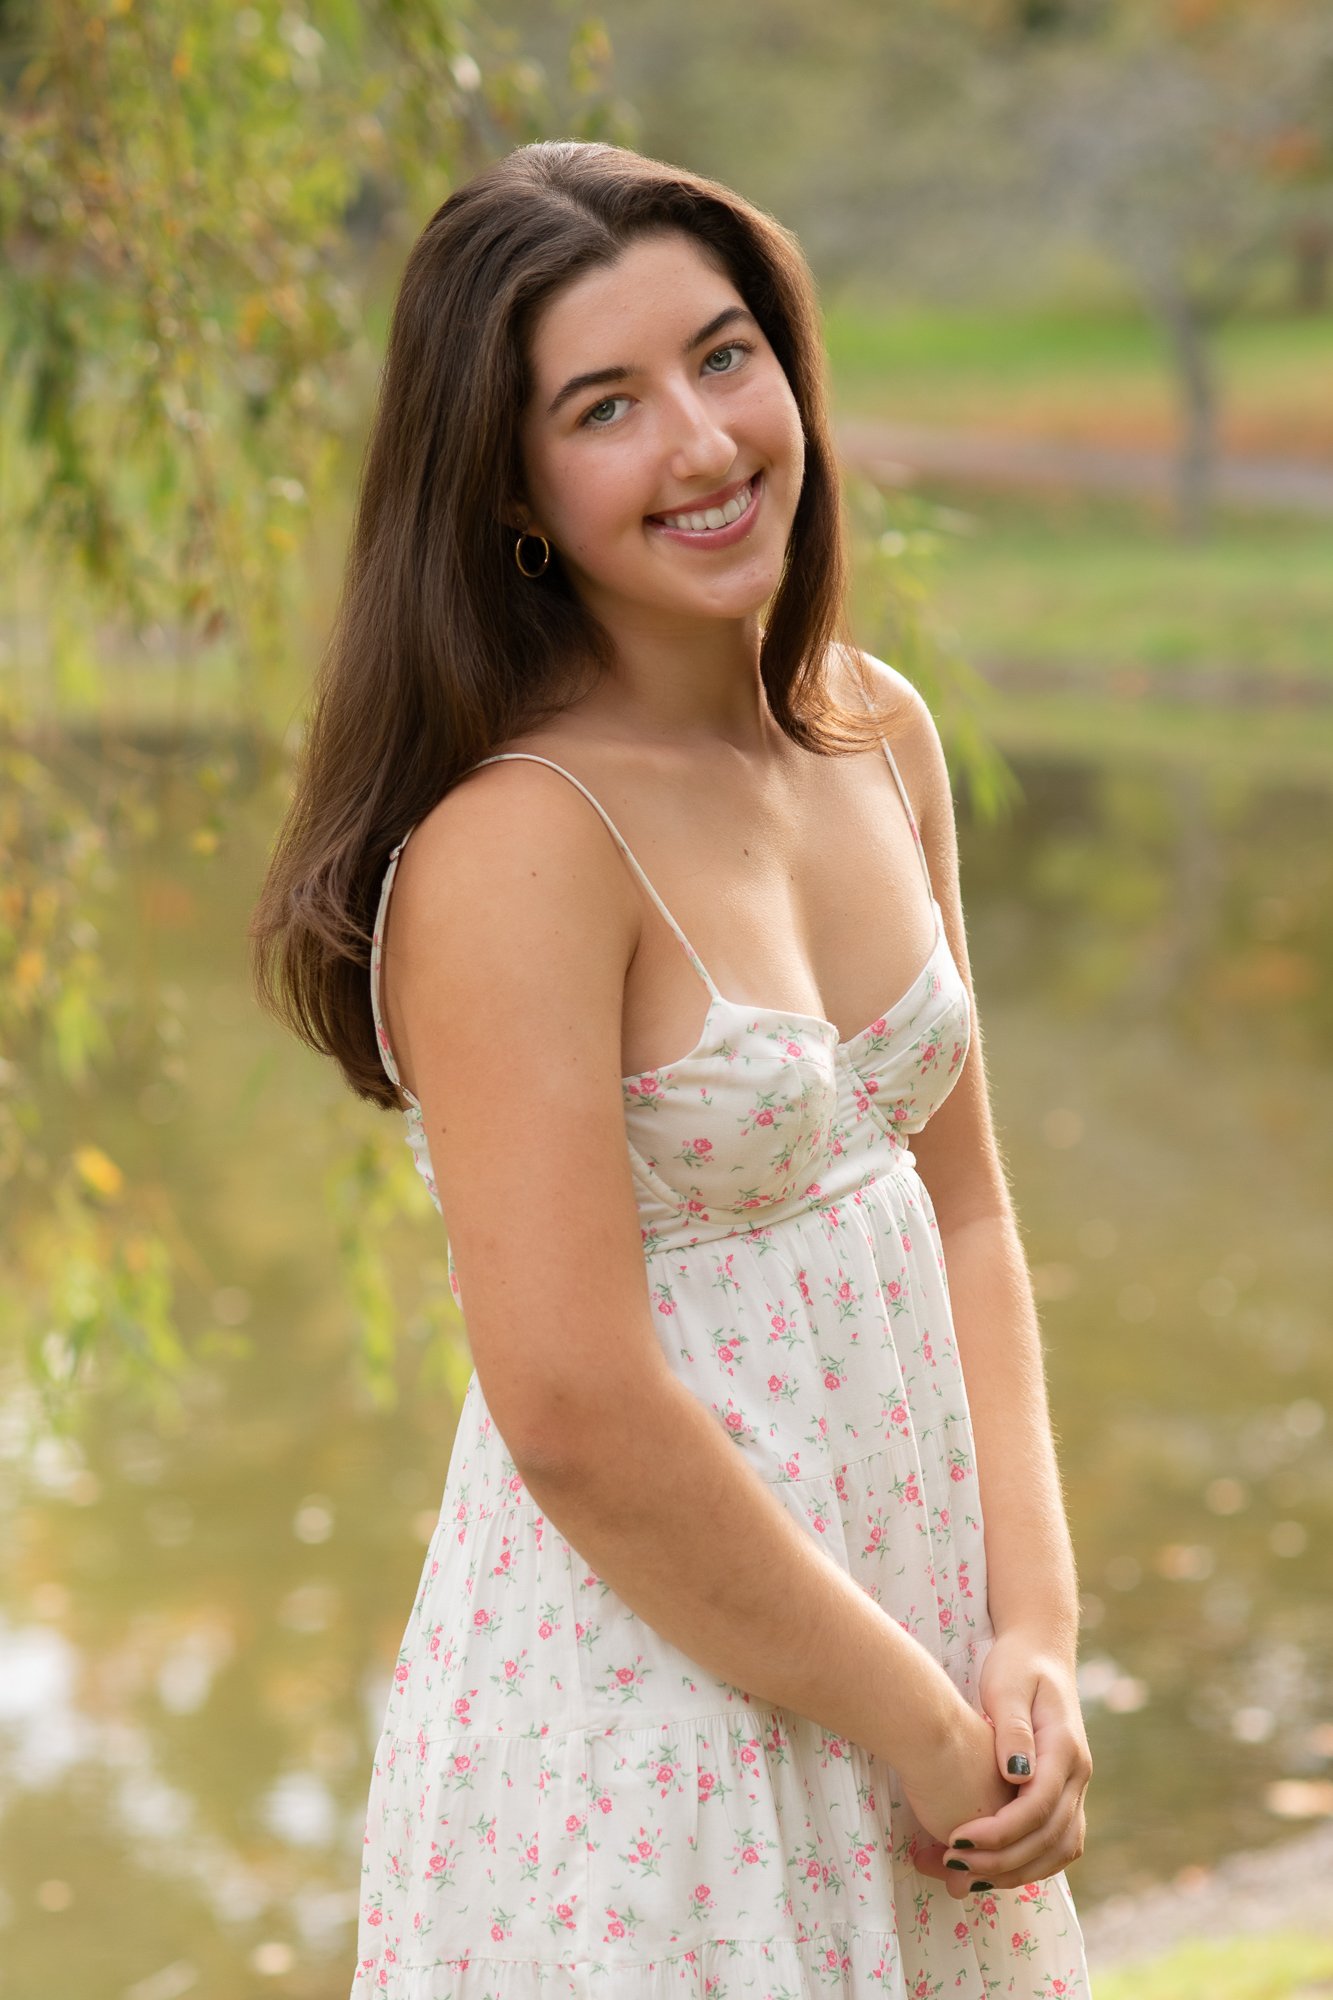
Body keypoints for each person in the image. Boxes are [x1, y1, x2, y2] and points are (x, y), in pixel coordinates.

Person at [250, 139, 1093, 1999]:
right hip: (653, 1732)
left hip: (927, 1668)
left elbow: (963, 1207)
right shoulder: (516, 848)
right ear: (515, 488)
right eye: (606, 406)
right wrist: (923, 1729)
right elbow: (570, 1409)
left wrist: (1027, 1629)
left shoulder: (873, 733)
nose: (705, 446)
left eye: (724, 358)